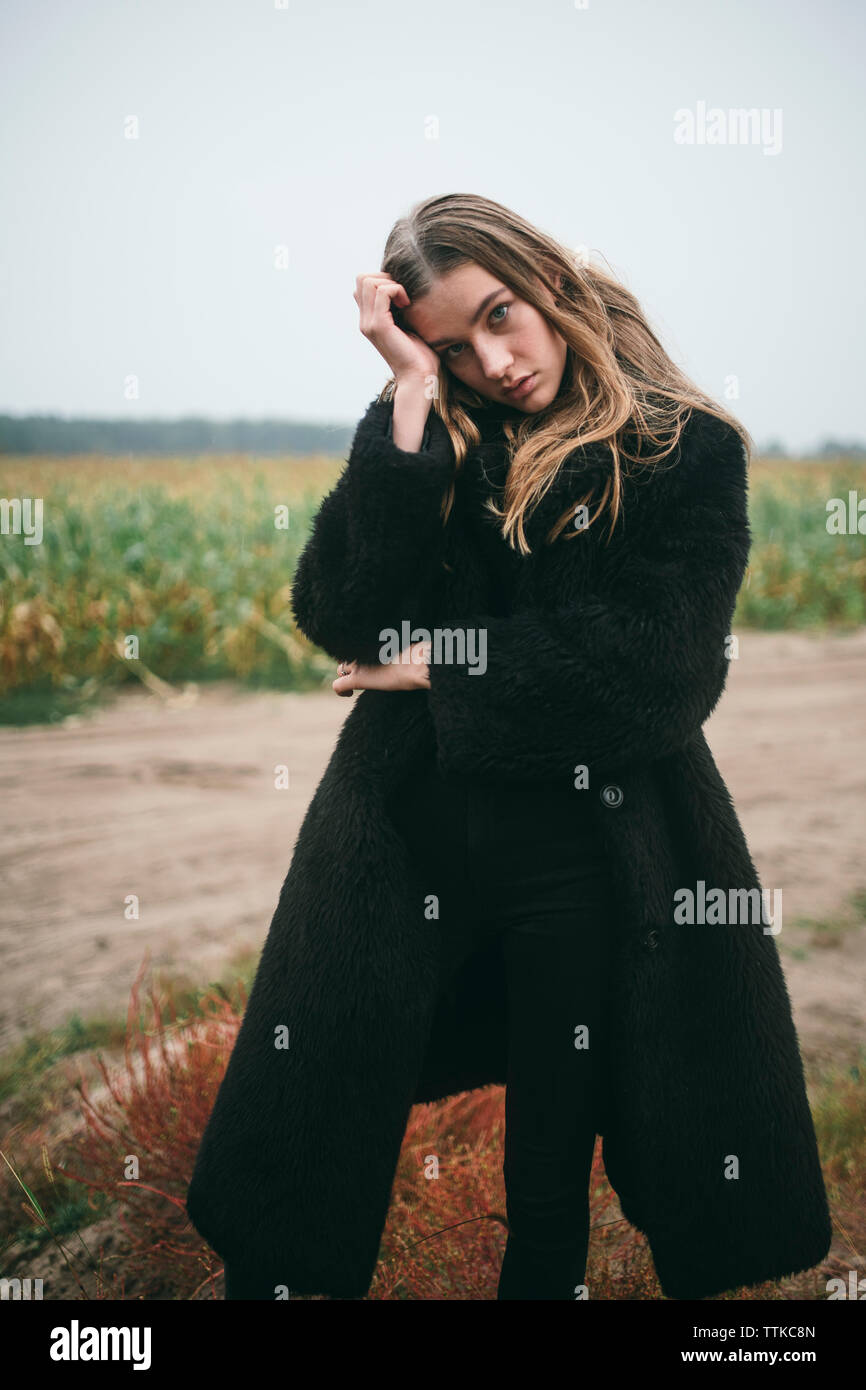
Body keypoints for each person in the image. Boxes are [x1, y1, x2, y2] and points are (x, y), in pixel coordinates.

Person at [188, 192, 831, 1302]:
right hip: (399, 843)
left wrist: (440, 656)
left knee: (550, 1167)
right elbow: (341, 611)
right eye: (452, 344)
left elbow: (658, 669)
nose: (493, 360)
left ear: (543, 280)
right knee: (312, 1124)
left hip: (586, 855)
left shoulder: (681, 449)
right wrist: (406, 390)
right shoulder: (430, 425)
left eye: (500, 315)